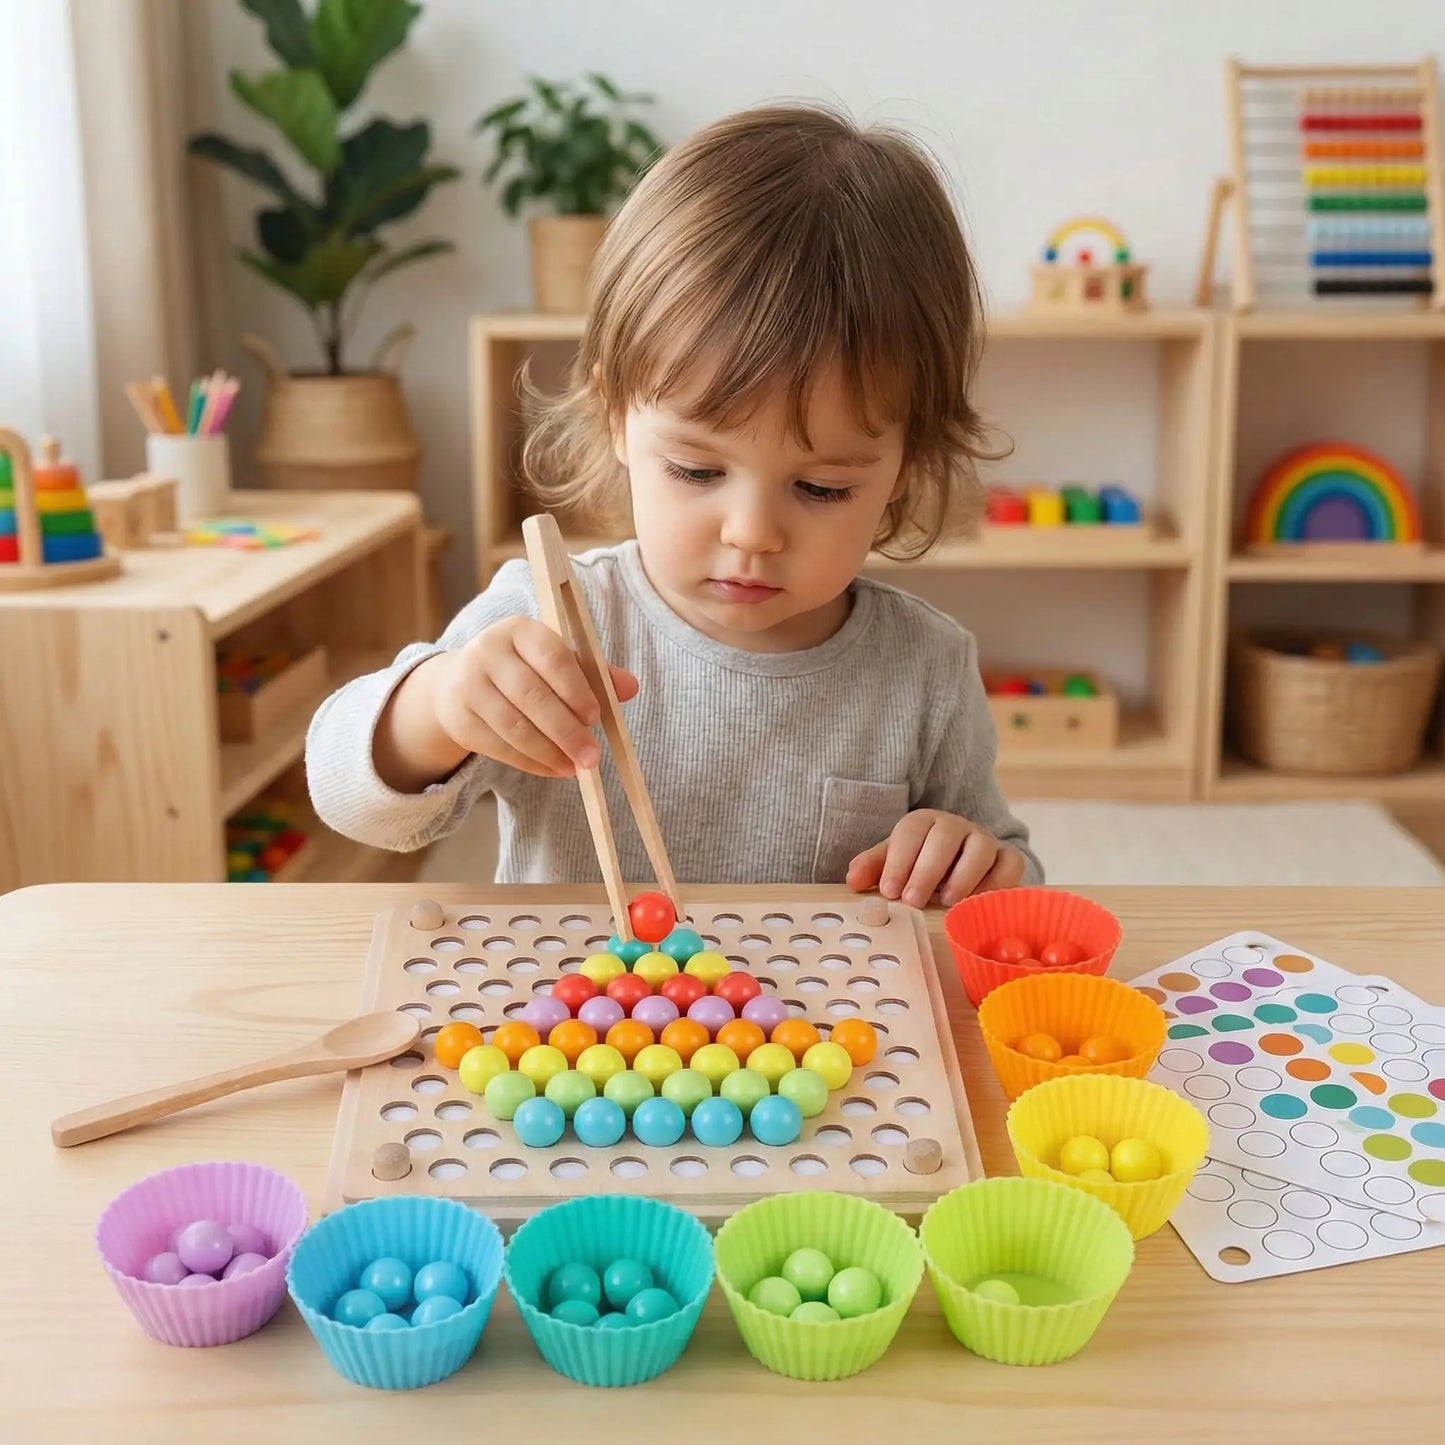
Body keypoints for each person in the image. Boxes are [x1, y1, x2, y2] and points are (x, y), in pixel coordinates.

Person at [307, 102, 1042, 908]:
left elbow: (1006, 876)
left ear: (905, 466)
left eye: (822, 487)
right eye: (695, 470)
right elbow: (348, 795)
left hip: (818, 1029)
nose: (752, 533)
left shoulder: (924, 667)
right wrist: (439, 705)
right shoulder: (552, 617)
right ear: (617, 416)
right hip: (577, 1028)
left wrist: (972, 860)